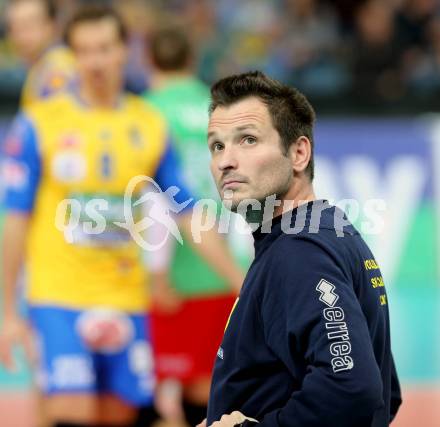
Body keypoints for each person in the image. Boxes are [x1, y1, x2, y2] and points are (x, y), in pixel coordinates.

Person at [0, 5, 243, 427]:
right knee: (68, 413)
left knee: (123, 416)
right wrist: (6, 311)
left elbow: (186, 214)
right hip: (59, 297)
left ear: (124, 52)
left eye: (104, 49)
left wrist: (243, 281)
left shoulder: (148, 123)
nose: (95, 61)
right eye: (84, 51)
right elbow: (16, 219)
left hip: (126, 297)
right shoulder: (39, 124)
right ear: (71, 56)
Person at [198, 71, 402, 426]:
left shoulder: (300, 251)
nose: (225, 161)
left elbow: (352, 386)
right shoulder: (327, 233)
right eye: (217, 145)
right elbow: (388, 393)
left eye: (247, 140)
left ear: (298, 152)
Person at [143, 27, 252, 427]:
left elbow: (153, 198)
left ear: (147, 61)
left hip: (169, 276)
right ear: (191, 61)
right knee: (209, 391)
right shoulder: (222, 111)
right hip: (223, 268)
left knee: (141, 395)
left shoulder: (143, 114)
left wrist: (156, 273)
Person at [5, 0, 76, 108]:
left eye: (28, 25)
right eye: (14, 27)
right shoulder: (38, 67)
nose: (21, 35)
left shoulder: (59, 66)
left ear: (52, 25)